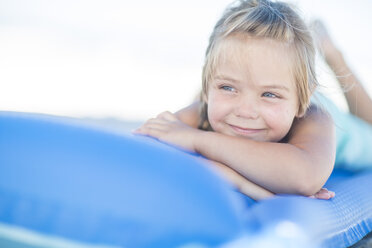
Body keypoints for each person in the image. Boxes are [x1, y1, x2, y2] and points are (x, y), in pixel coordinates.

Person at [134, 0, 336, 201]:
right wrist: (243, 184)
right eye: (228, 87)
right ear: (206, 87)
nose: (245, 112)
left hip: (346, 129)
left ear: (302, 100)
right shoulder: (200, 113)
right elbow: (141, 153)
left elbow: (304, 177)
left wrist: (197, 140)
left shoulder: (315, 117)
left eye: (269, 94)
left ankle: (332, 52)